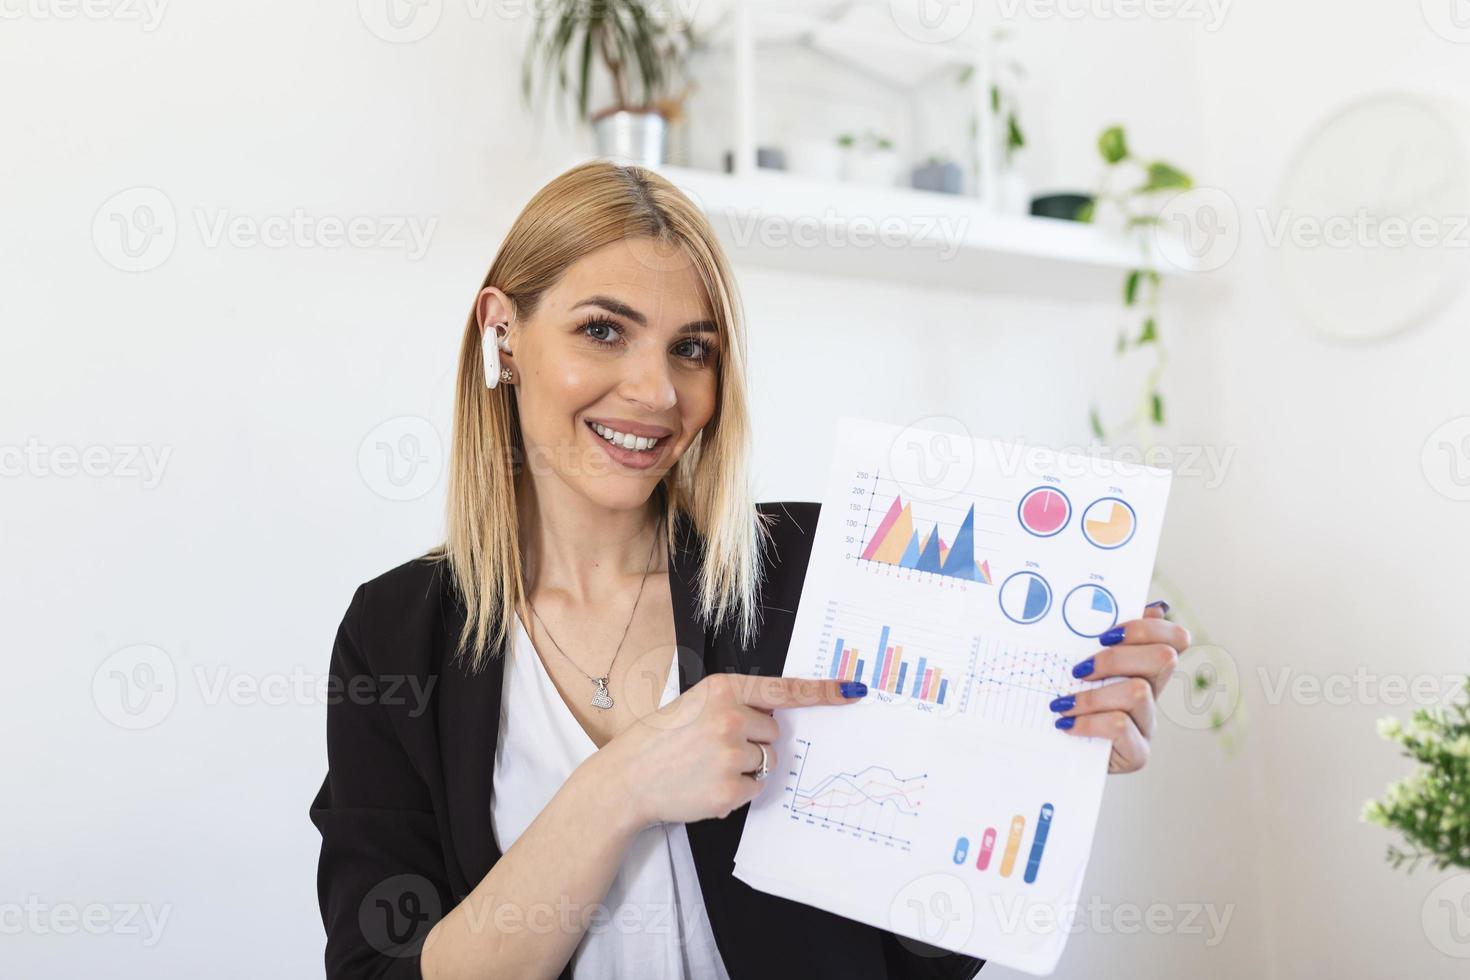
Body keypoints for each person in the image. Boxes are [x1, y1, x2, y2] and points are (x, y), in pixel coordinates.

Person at [308, 160, 1191, 980]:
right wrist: (620, 786)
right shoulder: (396, 636)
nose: (656, 392)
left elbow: (913, 951)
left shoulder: (813, 576)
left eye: (691, 349)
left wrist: (1036, 766)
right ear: (503, 332)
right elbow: (379, 966)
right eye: (604, 330)